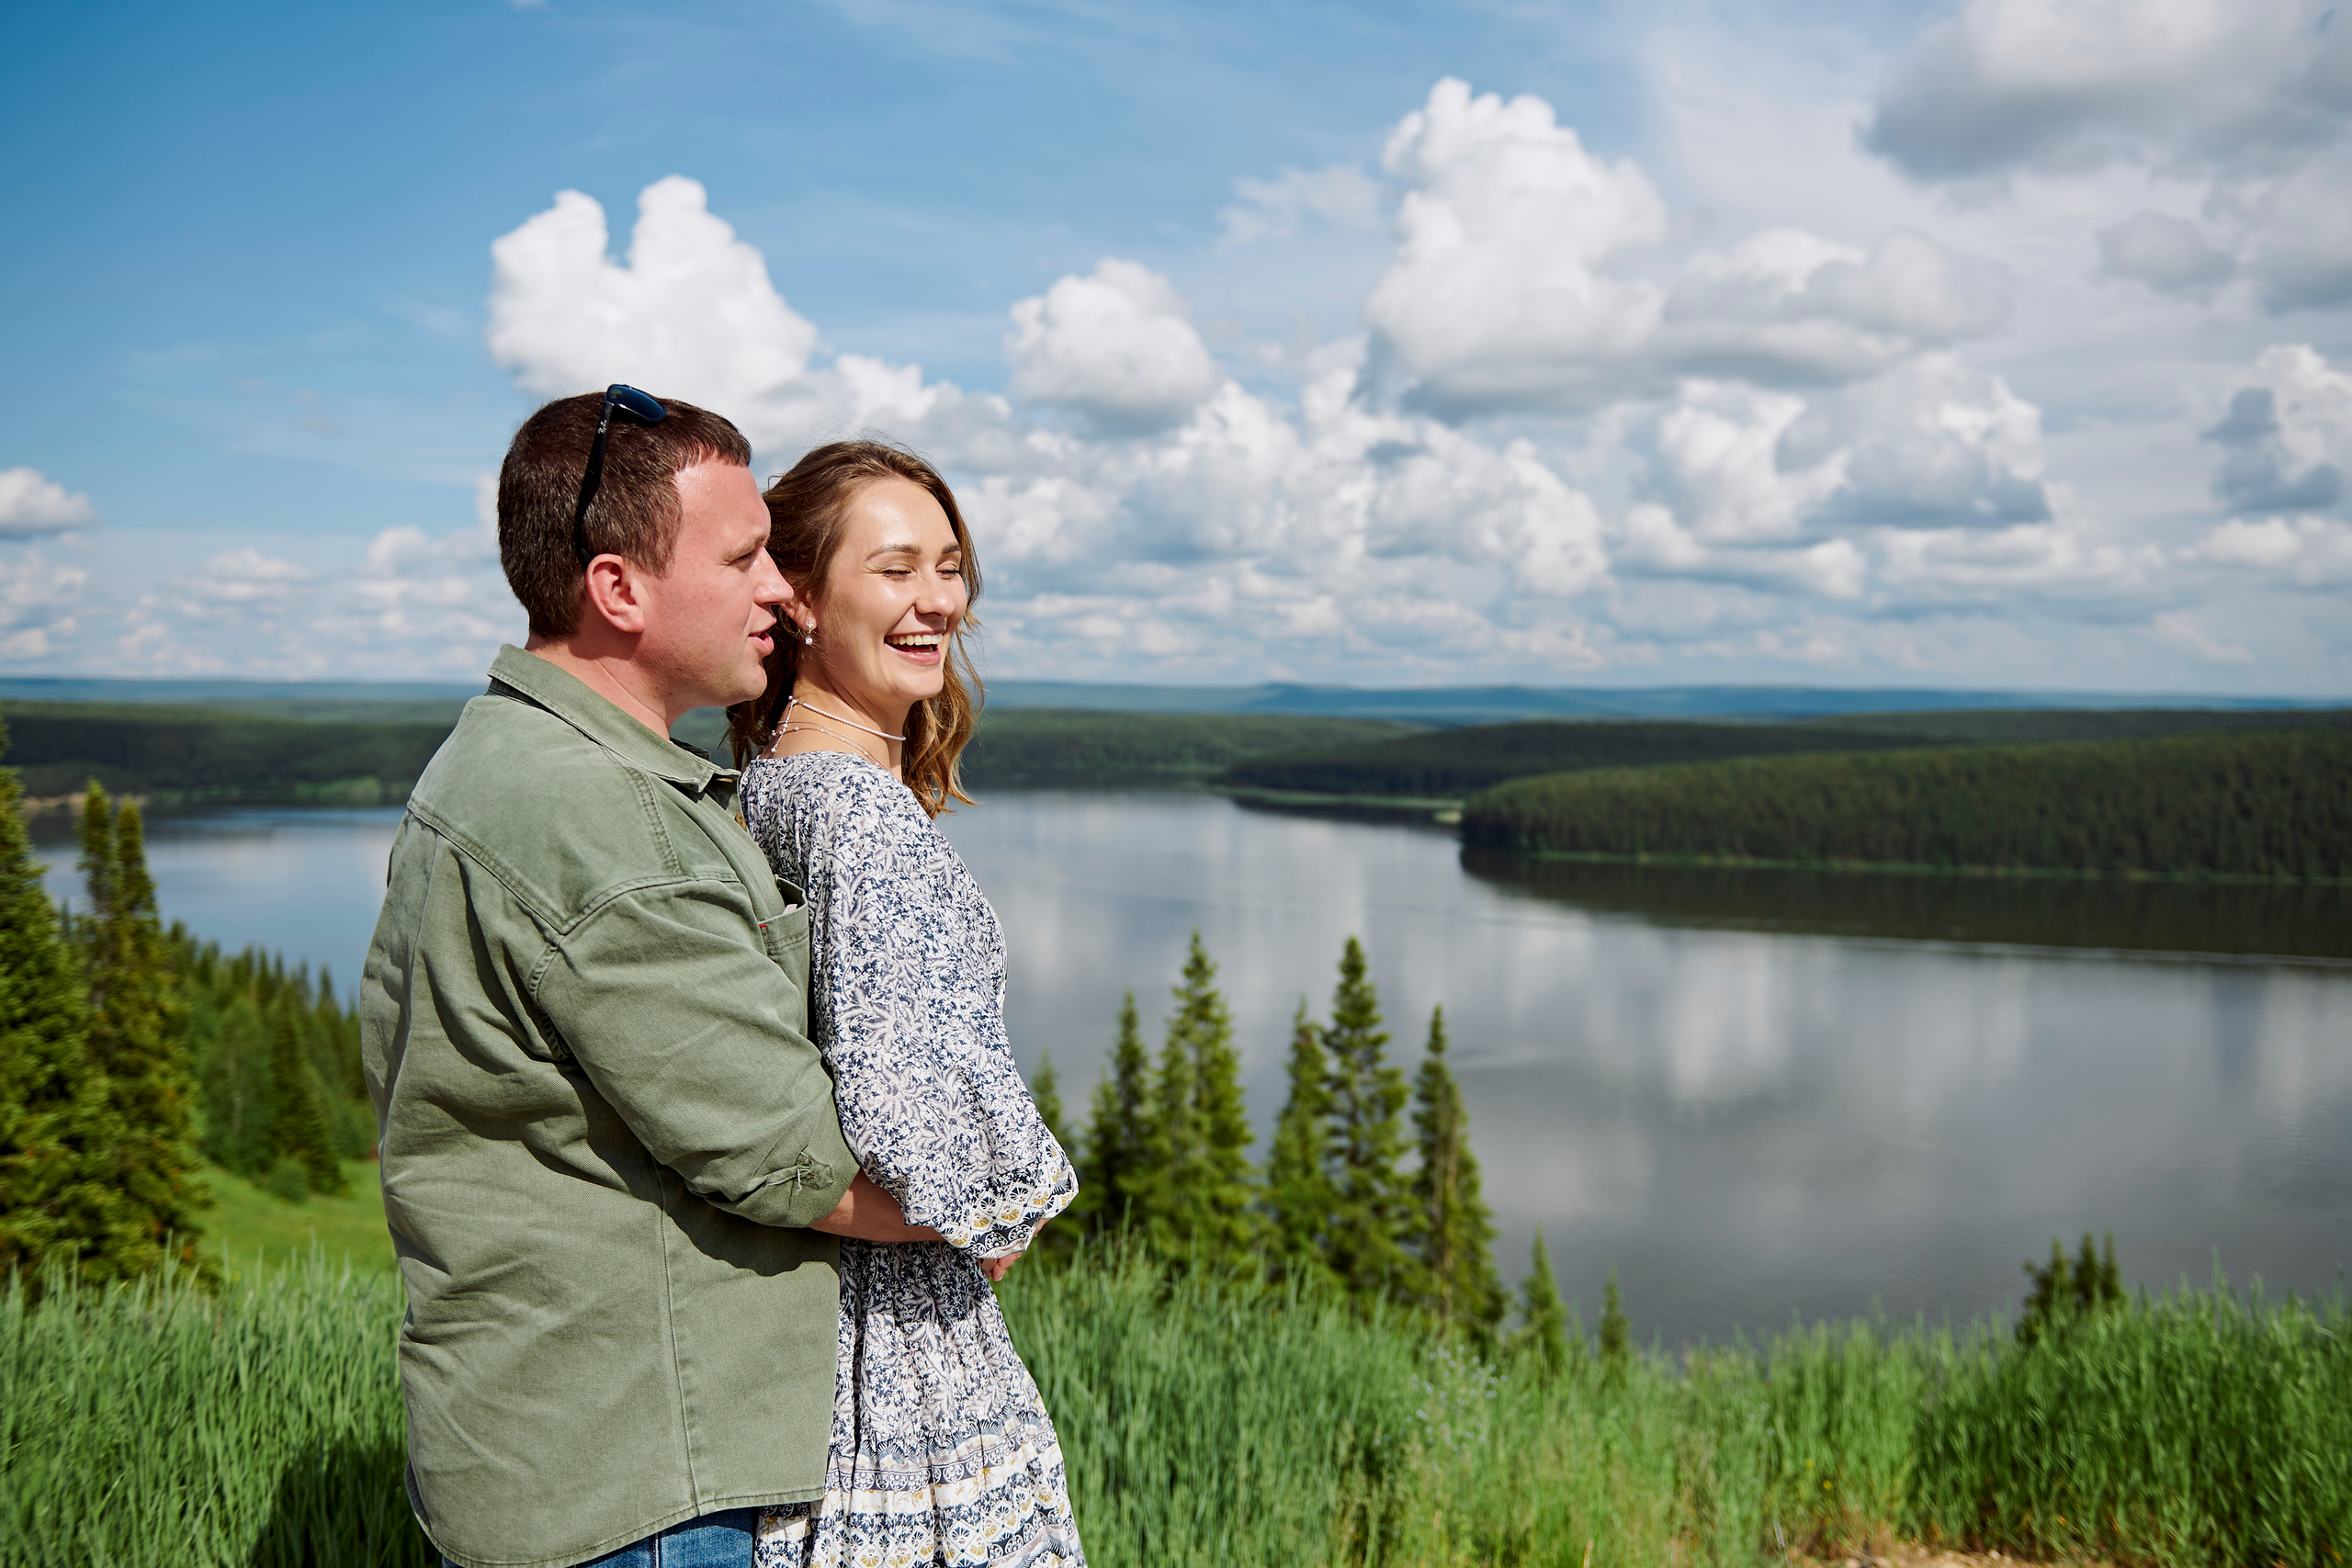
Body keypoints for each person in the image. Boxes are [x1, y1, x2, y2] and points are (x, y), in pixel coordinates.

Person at [361, 390, 941, 1568]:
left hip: (552, 1444)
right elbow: (786, 1159)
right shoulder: (598, 823)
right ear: (618, 590)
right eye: (743, 559)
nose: (779, 589)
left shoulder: (513, 759)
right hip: (639, 1484)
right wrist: (977, 1216)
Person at [725, 441, 1084, 1568]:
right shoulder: (865, 825)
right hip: (905, 1360)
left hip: (802, 1342)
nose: (936, 600)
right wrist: (1005, 1199)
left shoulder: (765, 787)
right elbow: (915, 1151)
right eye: (893, 570)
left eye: (949, 566)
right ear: (802, 602)